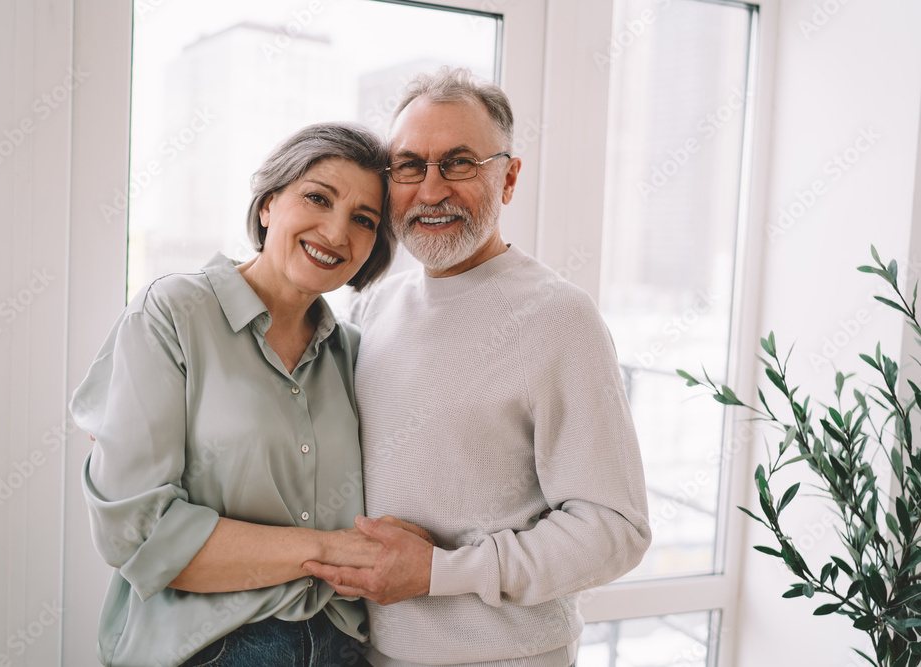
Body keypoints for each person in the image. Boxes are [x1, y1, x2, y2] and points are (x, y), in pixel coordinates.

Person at [303, 68, 652, 667]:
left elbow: (616, 529)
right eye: (409, 166)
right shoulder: (375, 305)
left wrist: (441, 570)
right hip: (374, 651)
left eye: (459, 163)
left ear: (508, 178)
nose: (431, 190)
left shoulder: (560, 318)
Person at [70, 122, 411, 667]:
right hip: (212, 647)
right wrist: (325, 549)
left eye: (364, 219)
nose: (335, 232)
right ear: (269, 203)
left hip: (340, 646)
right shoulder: (174, 314)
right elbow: (137, 534)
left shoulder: (353, 352)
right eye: (317, 198)